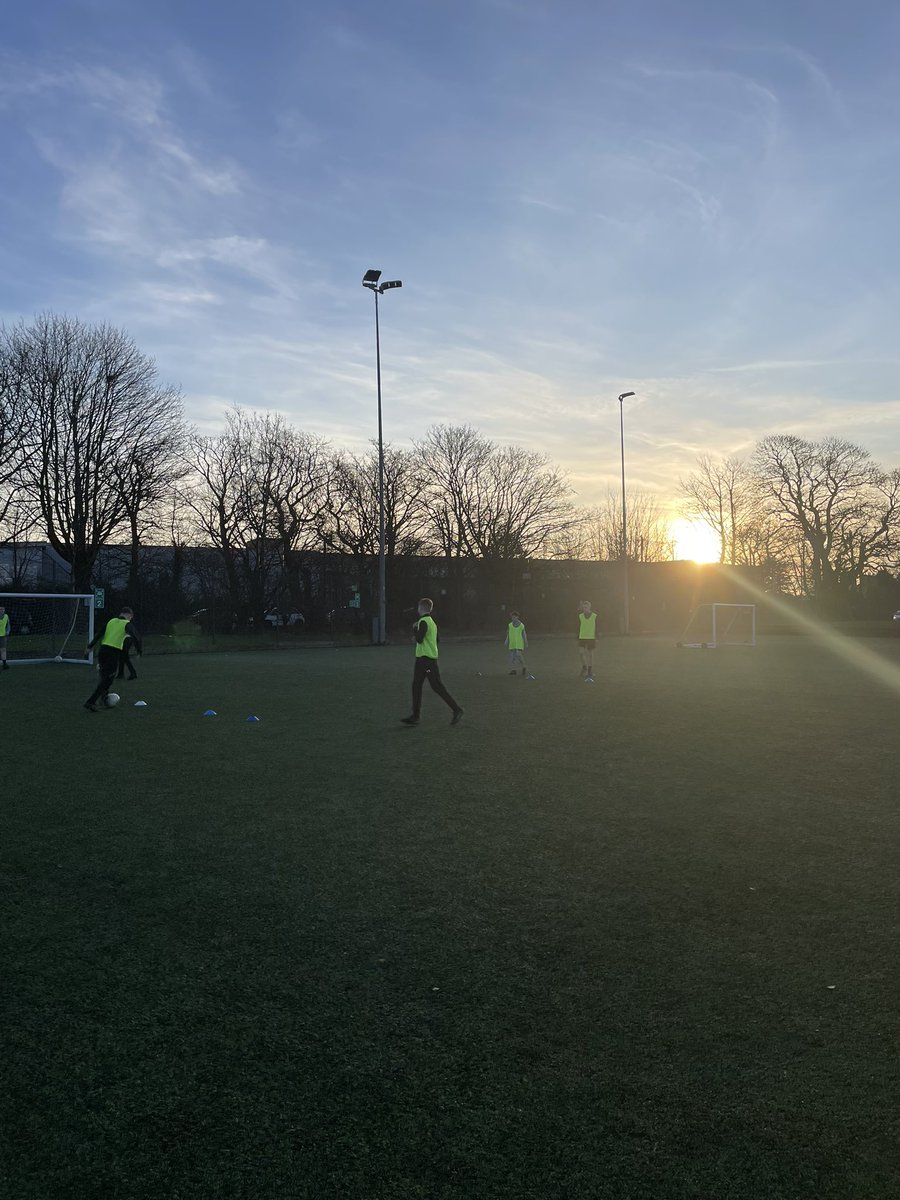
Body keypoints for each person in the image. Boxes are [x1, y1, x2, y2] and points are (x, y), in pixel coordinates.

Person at [401, 597, 463, 727]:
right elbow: (437, 640)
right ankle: (415, 716)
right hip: (425, 660)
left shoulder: (422, 621)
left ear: (421, 608)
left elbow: (419, 639)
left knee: (436, 686)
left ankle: (457, 710)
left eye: (418, 608)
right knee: (416, 686)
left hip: (426, 660)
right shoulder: (432, 623)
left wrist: (414, 629)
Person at [84, 607, 142, 711]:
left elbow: (100, 634)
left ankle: (103, 699)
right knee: (108, 680)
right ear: (129, 616)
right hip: (113, 652)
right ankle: (91, 702)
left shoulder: (111, 621)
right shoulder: (126, 624)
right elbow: (136, 637)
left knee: (104, 677)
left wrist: (90, 646)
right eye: (130, 618)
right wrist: (139, 651)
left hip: (102, 651)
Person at [577, 599, 598, 682]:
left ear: (589, 607)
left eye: (586, 607)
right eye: (584, 607)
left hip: (591, 637)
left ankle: (590, 671)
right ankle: (584, 667)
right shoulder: (580, 616)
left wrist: (597, 637)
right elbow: (577, 626)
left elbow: (598, 627)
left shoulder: (594, 616)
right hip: (582, 637)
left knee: (590, 655)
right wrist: (577, 636)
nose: (585, 608)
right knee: (581, 653)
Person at [505, 611, 529, 676]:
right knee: (512, 657)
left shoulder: (521, 625)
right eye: (512, 617)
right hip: (512, 643)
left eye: (514, 617)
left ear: (517, 617)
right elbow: (508, 633)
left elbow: (524, 634)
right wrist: (507, 640)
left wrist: (525, 642)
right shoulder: (510, 625)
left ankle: (524, 667)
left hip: (519, 643)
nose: (513, 618)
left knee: (518, 655)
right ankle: (514, 670)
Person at [0, 606, 10, 670]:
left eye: (2, 609)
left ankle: (4, 664)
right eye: (0, 609)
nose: (1, 610)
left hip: (3, 636)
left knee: (3, 649)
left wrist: (8, 631)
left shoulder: (6, 616)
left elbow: (8, 625)